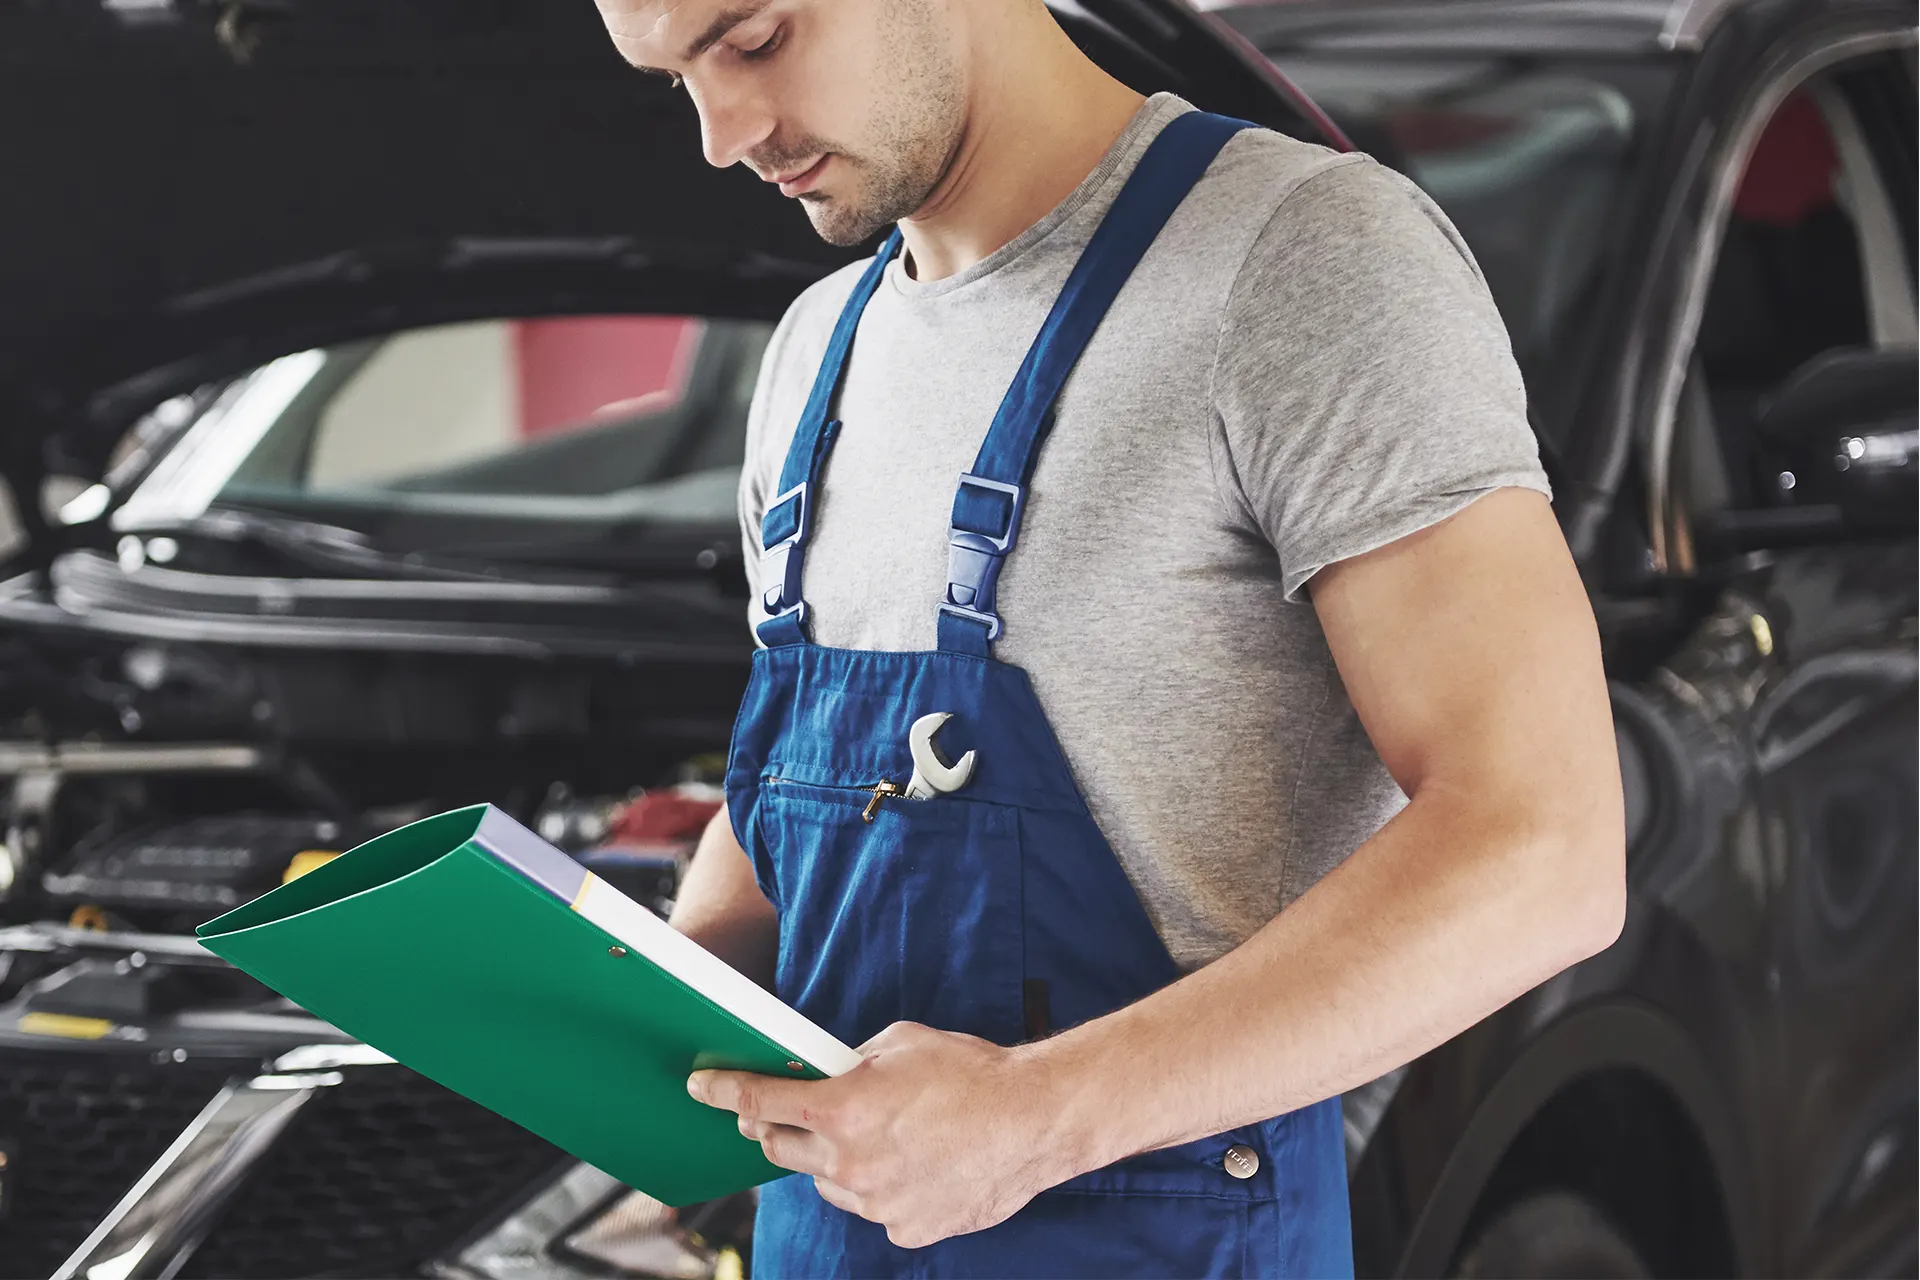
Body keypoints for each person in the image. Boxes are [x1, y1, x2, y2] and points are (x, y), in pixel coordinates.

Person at [593, 0, 1626, 1275]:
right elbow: (813, 808)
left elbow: (1544, 845)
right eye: (671, 75)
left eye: (752, 41)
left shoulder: (1304, 257)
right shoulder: (816, 352)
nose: (721, 132)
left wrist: (1032, 1117)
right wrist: (601, 1013)